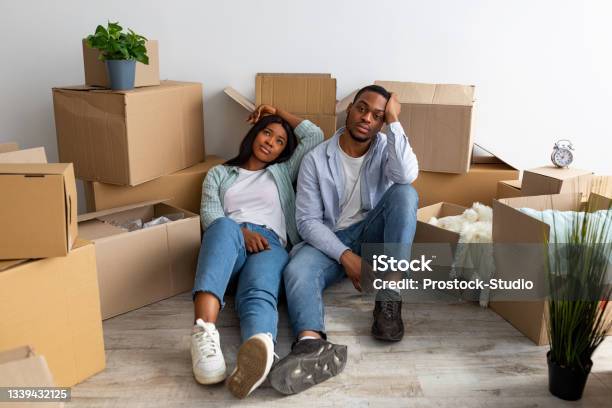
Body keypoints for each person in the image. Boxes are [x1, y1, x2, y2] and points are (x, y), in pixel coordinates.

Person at [269, 85, 419, 395]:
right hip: (330, 239)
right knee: (296, 271)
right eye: (362, 109)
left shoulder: (386, 147)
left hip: (374, 233)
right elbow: (307, 221)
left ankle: (388, 299)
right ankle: (311, 346)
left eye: (377, 116)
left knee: (405, 193)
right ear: (349, 109)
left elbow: (406, 175)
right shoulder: (316, 158)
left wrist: (394, 122)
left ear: (382, 123)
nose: (367, 118)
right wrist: (346, 257)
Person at [190, 104, 323, 399]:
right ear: (253, 134)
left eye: (279, 142)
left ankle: (260, 351)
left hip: (271, 243)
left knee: (259, 289)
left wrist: (278, 112)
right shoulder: (219, 173)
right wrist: (242, 232)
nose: (270, 143)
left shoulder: (282, 172)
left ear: (282, 153)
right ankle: (204, 334)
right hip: (230, 244)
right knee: (223, 224)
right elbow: (210, 215)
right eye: (267, 132)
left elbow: (314, 135)